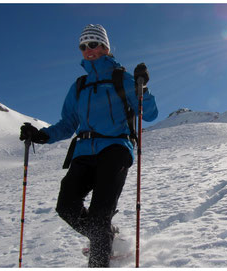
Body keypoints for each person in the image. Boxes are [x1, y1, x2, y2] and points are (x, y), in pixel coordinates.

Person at [19, 24, 158, 267]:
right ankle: (105, 235)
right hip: (83, 152)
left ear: (105, 47)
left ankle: (99, 250)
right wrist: (41, 136)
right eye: (83, 46)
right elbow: (68, 123)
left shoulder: (121, 78)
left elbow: (149, 114)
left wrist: (142, 88)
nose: (88, 50)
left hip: (115, 148)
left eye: (93, 44)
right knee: (66, 207)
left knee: (99, 215)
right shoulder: (79, 86)